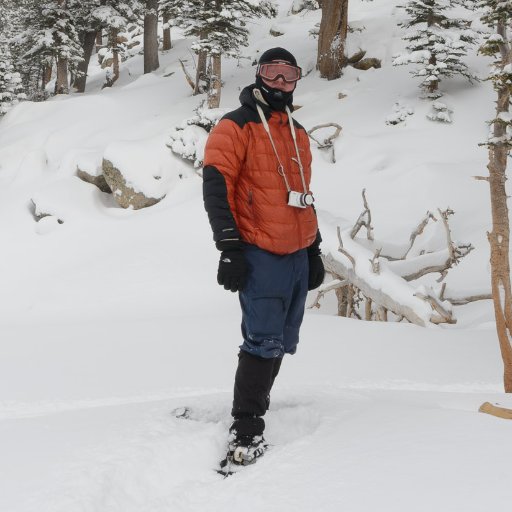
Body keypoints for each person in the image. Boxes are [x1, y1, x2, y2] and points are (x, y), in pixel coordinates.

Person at [202, 47, 325, 469]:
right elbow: (216, 188)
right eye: (271, 73)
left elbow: (304, 196)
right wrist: (230, 248)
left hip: (295, 252)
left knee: (283, 340)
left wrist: (314, 249)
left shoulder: (298, 132)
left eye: (287, 75)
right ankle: (246, 426)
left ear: (295, 81)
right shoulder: (234, 127)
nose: (279, 83)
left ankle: (257, 402)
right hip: (260, 250)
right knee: (263, 339)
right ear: (258, 75)